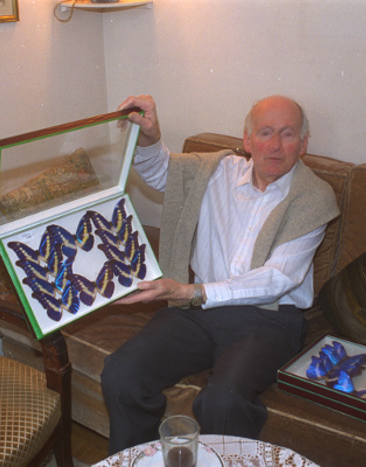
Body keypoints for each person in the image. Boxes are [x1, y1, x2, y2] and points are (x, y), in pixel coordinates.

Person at [101, 94, 340, 454]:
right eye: (265, 133)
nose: (275, 145)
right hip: (196, 314)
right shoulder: (216, 170)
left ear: (303, 144)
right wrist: (150, 138)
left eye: (288, 134)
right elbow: (162, 171)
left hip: (268, 320)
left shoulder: (314, 197)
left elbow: (278, 278)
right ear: (247, 140)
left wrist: (192, 293)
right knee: (121, 374)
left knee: (223, 402)